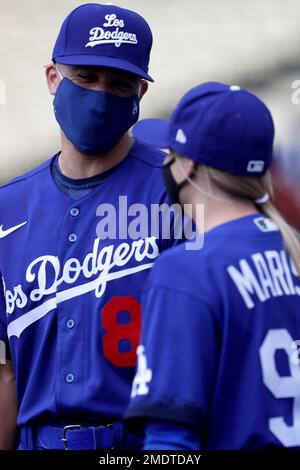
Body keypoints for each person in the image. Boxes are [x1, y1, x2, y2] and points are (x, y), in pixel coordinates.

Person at [0, 3, 183, 450]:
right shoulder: (6, 209)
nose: (101, 94)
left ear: (140, 91)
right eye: (86, 76)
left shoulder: (178, 193)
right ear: (52, 77)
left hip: (147, 445)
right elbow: (4, 372)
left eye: (119, 83)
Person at [125, 82, 300, 449]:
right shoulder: (290, 249)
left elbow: (171, 441)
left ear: (188, 165)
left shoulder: (187, 270)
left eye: (171, 152)